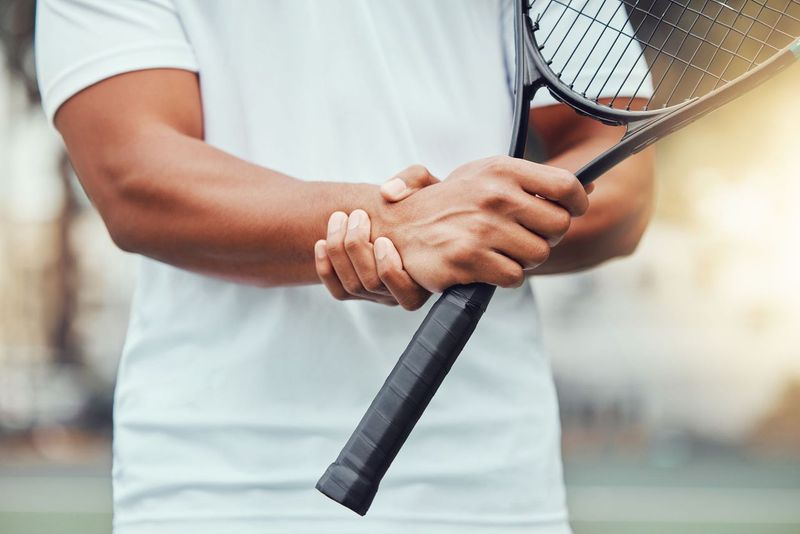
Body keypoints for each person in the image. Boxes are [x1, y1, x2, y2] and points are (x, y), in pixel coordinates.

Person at [36, 1, 654, 533]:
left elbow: (622, 175)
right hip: (215, 483)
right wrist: (398, 227)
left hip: (489, 484)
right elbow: (135, 179)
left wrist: (478, 230)